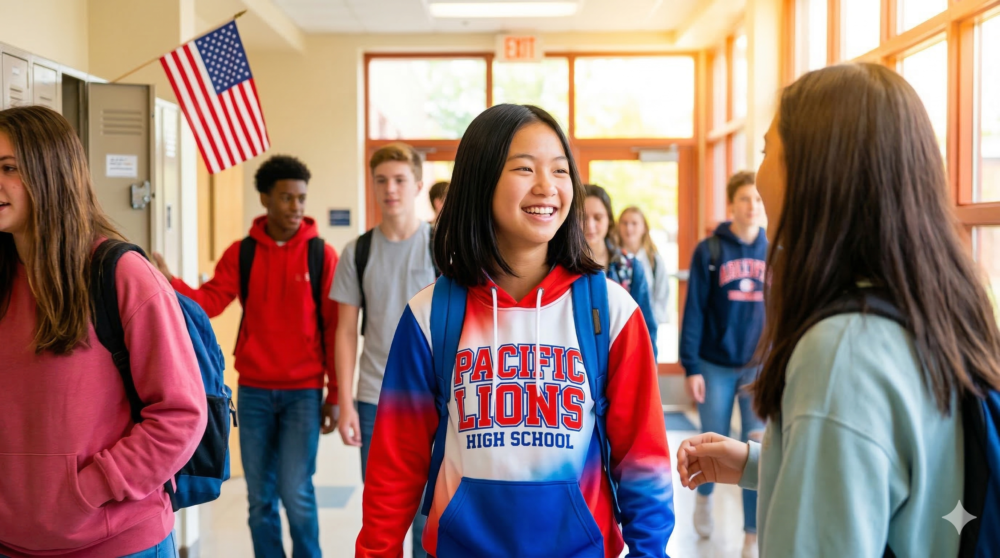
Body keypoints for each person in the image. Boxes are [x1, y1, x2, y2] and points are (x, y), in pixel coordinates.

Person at [676, 63, 1000, 557]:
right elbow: (906, 481)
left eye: (766, 151)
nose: (758, 182)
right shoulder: (938, 304)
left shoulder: (841, 351)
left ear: (813, 175)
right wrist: (767, 462)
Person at [355, 104, 674, 557]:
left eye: (560, 170)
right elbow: (394, 466)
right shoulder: (430, 315)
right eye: (525, 168)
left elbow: (643, 458)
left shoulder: (612, 312)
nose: (547, 186)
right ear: (480, 179)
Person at [0, 105, 206, 557]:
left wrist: (94, 488)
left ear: (51, 174)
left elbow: (181, 414)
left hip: (117, 541)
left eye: (9, 168)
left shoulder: (120, 274)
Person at [151, 155, 339, 558]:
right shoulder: (243, 253)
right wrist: (168, 282)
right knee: (260, 497)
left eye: (301, 198)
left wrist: (336, 395)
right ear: (265, 199)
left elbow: (334, 328)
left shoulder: (321, 255)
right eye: (286, 198)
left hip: (304, 393)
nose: (296, 207)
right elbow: (209, 302)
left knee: (297, 491)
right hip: (254, 392)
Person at [331, 142, 437, 558]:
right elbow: (345, 332)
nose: (390, 189)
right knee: (383, 516)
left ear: (417, 185)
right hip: (375, 400)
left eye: (399, 180)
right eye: (381, 180)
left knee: (430, 520)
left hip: (436, 400)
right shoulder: (357, 252)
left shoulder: (440, 246)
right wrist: (345, 402)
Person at [678, 169, 766, 558]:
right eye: (745, 198)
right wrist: (691, 366)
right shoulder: (710, 250)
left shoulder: (774, 251)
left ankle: (750, 535)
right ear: (732, 204)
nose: (752, 206)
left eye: (758, 199)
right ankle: (704, 497)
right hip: (713, 364)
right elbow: (694, 310)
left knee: (756, 448)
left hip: (758, 368)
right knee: (712, 440)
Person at [583, 184, 659, 356]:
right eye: (582, 217)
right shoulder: (561, 267)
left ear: (609, 220)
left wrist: (649, 366)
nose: (590, 225)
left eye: (598, 218)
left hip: (624, 357)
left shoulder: (630, 266)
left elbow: (646, 325)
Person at [618, 206, 670, 326]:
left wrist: (650, 322)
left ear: (644, 228)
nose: (629, 228)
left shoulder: (653, 260)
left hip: (647, 325)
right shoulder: (613, 259)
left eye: (634, 223)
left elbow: (661, 294)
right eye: (625, 223)